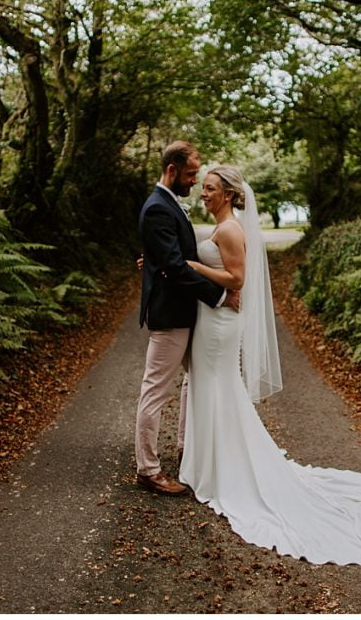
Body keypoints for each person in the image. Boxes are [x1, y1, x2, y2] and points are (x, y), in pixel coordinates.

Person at [179, 165, 361, 565]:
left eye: (210, 188)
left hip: (220, 325)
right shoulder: (222, 226)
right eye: (204, 188)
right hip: (212, 319)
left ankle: (220, 469)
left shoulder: (229, 230)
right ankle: (210, 464)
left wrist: (193, 267)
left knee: (218, 386)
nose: (204, 193)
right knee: (214, 387)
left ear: (228, 194)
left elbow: (237, 279)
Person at [135, 141, 240, 496]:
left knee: (193, 382)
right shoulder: (157, 207)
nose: (195, 182)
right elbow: (175, 266)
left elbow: (170, 255)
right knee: (155, 389)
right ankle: (148, 470)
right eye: (192, 175)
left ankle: (187, 450)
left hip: (186, 312)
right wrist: (220, 296)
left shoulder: (167, 204)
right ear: (172, 170)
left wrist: (153, 261)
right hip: (171, 314)